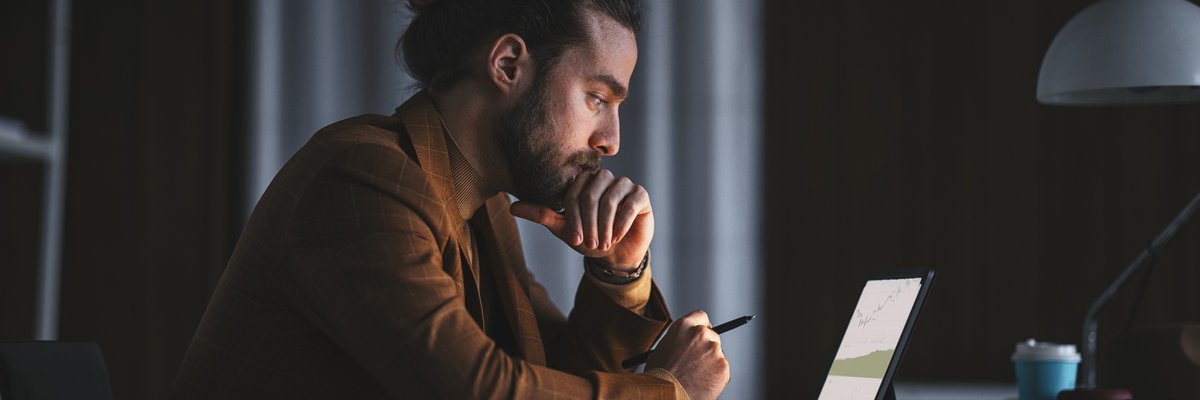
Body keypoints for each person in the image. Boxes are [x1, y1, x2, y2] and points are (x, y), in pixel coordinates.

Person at [173, 0, 730, 398]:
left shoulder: (482, 205)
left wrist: (618, 272)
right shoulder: (358, 175)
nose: (611, 140)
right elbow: (479, 387)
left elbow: (548, 369)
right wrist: (668, 392)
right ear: (508, 65)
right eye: (596, 97)